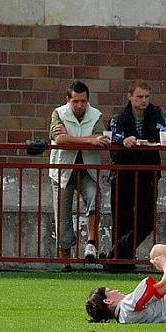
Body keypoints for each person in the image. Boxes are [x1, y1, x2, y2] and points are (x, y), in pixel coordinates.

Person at [106, 81, 166, 269]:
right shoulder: (120, 117)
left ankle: (117, 254)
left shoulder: (156, 114)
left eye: (147, 97)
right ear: (130, 97)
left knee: (147, 220)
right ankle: (121, 261)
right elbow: (111, 135)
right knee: (121, 218)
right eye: (139, 97)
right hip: (123, 172)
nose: (144, 101)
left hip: (148, 173)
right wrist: (124, 140)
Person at [49, 80, 110, 269]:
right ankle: (65, 262)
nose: (79, 105)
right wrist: (89, 140)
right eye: (75, 101)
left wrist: (74, 139)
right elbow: (59, 139)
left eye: (83, 101)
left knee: (94, 197)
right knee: (62, 216)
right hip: (63, 170)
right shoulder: (58, 113)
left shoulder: (96, 115)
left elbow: (101, 140)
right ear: (68, 100)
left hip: (87, 170)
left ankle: (91, 244)